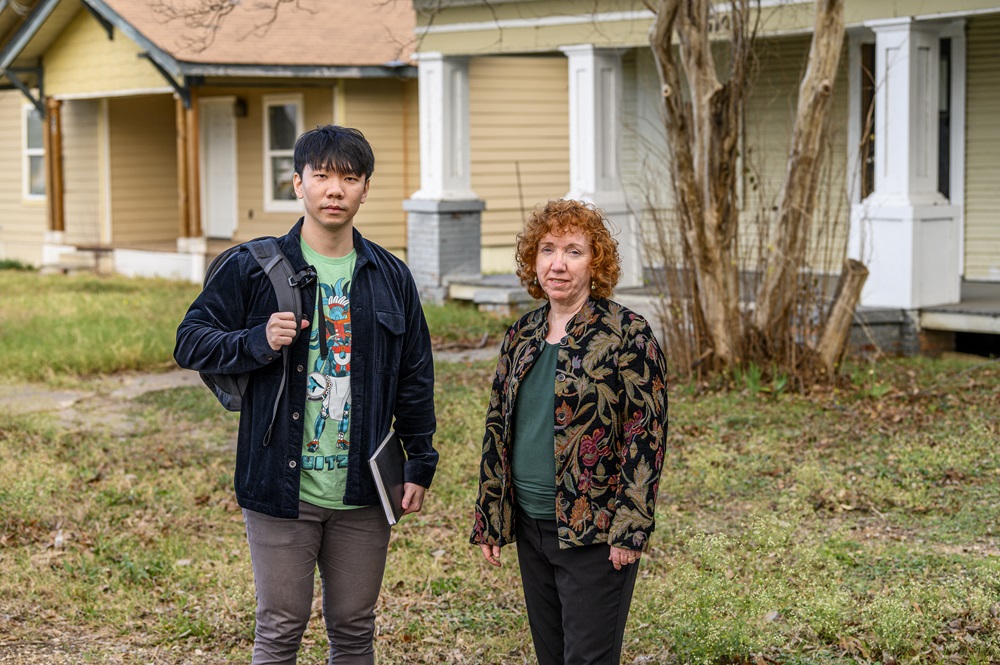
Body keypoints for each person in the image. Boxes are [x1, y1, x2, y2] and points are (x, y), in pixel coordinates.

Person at [174, 125, 438, 664]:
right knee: (279, 628)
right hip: (279, 484)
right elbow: (190, 340)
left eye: (349, 177)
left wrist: (420, 462)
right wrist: (255, 340)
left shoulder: (391, 277)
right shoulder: (252, 265)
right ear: (298, 184)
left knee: (354, 628)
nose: (334, 190)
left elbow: (415, 375)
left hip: (363, 490)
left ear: (366, 188)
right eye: (321, 176)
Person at [470, 199, 668, 665]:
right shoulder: (522, 334)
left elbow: (646, 437)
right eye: (547, 249)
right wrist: (492, 516)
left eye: (574, 251)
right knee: (551, 656)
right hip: (532, 526)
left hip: (594, 533)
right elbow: (498, 427)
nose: (557, 264)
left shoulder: (626, 335)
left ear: (595, 262)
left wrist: (630, 528)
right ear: (532, 260)